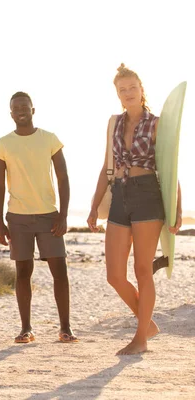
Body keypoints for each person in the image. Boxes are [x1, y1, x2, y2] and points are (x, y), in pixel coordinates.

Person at [87, 64, 182, 355]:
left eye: (132, 87)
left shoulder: (156, 124)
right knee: (114, 275)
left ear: (141, 90)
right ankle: (147, 324)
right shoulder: (114, 123)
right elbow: (107, 167)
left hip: (148, 196)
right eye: (122, 89)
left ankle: (140, 339)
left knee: (143, 270)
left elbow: (169, 166)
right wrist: (94, 206)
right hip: (120, 195)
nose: (128, 93)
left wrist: (177, 207)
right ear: (117, 94)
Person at [0, 92, 77, 344]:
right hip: (17, 218)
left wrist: (63, 214)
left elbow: (63, 177)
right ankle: (26, 328)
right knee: (23, 272)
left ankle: (66, 328)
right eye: (15, 108)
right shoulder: (3, 144)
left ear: (33, 110)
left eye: (24, 107)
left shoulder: (49, 139)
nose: (20, 110)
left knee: (59, 271)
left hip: (48, 215)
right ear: (11, 113)